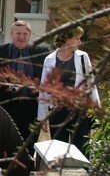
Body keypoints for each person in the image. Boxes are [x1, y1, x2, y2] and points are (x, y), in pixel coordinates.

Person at [0, 20, 49, 142]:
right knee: (5, 143)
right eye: (18, 33)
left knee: (28, 145)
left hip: (31, 108)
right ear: (11, 35)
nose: (21, 37)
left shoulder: (41, 52)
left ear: (29, 35)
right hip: (5, 107)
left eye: (25, 34)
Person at [37, 26, 99, 155]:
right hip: (57, 113)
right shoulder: (50, 60)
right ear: (66, 39)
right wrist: (42, 117)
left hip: (79, 112)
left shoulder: (83, 57)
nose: (80, 42)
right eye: (77, 38)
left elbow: (91, 83)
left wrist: (96, 107)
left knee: (81, 151)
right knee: (59, 152)